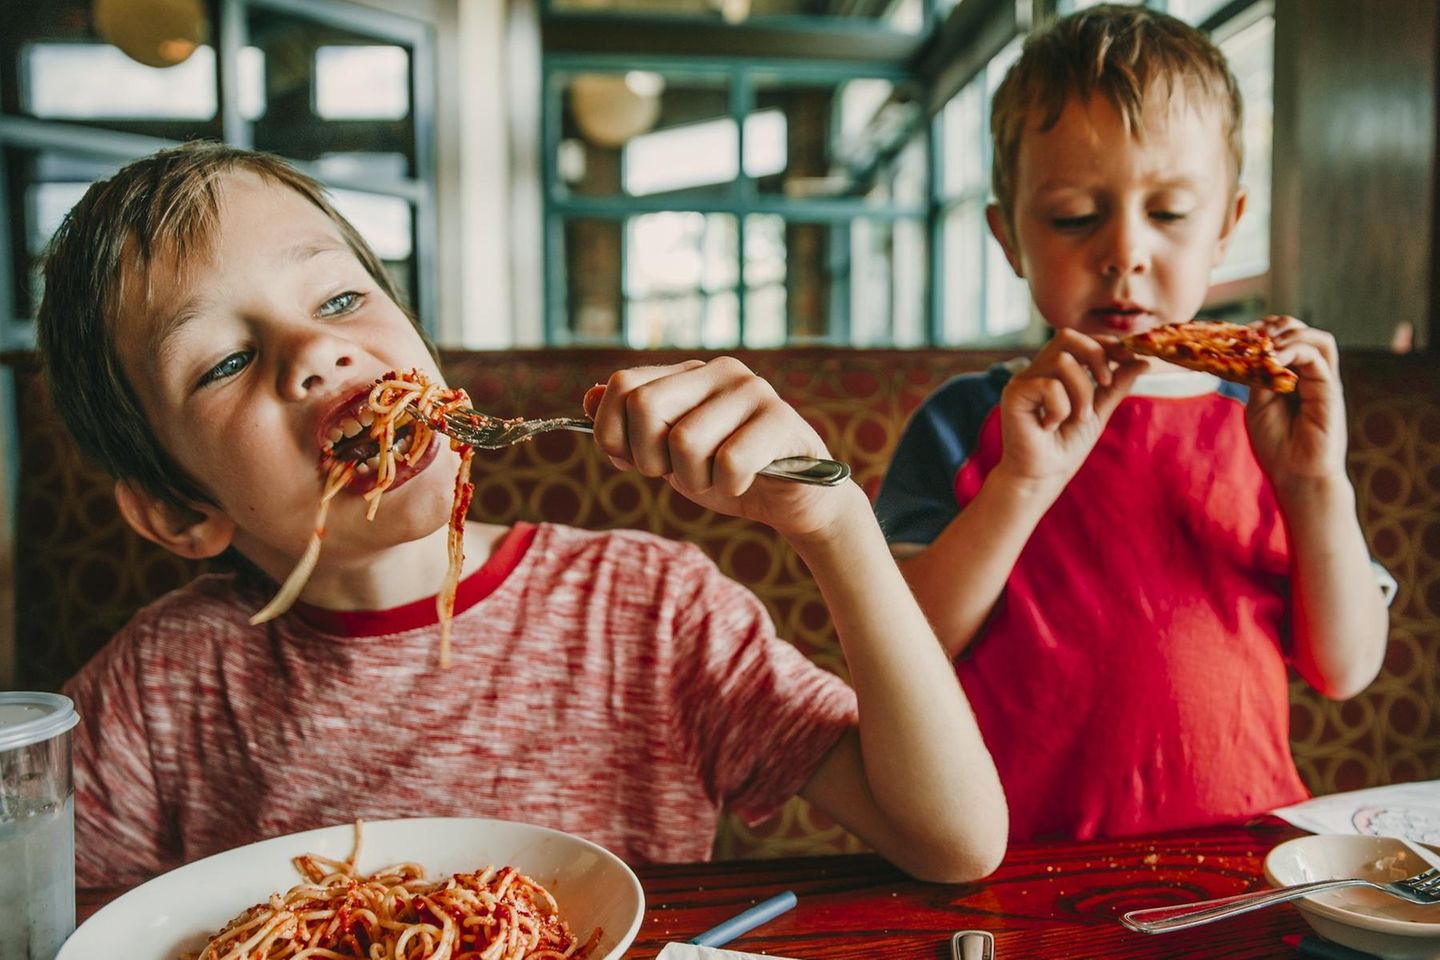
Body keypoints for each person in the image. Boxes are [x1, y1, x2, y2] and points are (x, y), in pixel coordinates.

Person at [41, 142, 1007, 890]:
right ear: (177, 513)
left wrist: (833, 523)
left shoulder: (646, 608)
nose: (315, 351)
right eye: (222, 361)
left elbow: (953, 840)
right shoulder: (160, 688)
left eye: (340, 297)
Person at [875, 5, 1391, 842]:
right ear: (1009, 238)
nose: (1124, 251)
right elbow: (905, 650)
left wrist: (1313, 486)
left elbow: (1346, 668)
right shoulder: (967, 421)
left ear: (1226, 226)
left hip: (1245, 858)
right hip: (1013, 859)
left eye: (1171, 213)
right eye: (1075, 215)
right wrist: (1021, 484)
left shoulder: (1272, 429)